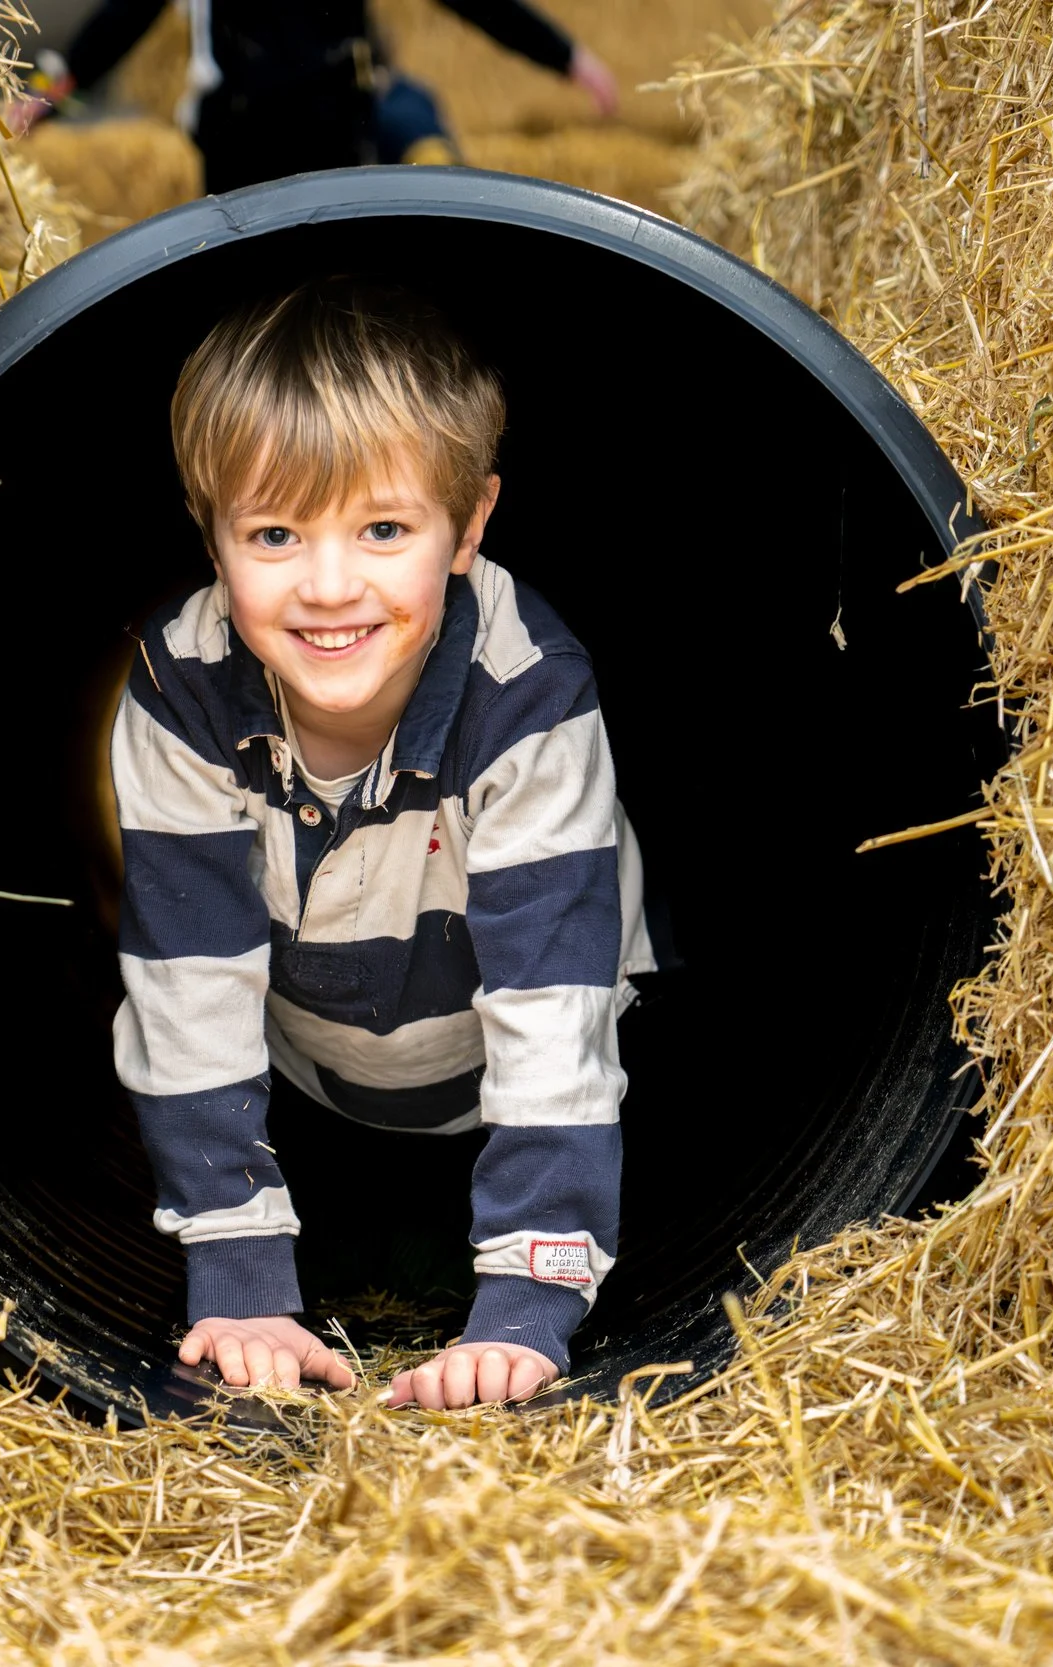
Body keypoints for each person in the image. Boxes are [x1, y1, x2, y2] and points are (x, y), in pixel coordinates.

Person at [110, 276, 652, 1409]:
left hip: (522, 1035)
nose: (326, 584)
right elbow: (188, 988)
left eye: (383, 529)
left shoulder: (527, 696)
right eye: (272, 531)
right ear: (209, 535)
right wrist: (241, 1280)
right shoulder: (182, 684)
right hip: (317, 1058)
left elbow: (552, 1009)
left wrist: (525, 1304)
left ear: (471, 526)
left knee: (581, 1021)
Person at [11, 0, 619, 192]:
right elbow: (118, 21)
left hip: (335, 134)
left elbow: (473, 1)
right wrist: (45, 97)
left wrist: (563, 55)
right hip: (242, 145)